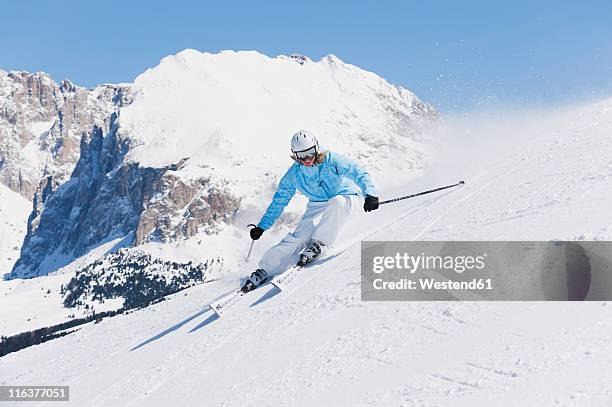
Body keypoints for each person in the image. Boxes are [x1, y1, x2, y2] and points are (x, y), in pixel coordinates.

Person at [242, 130, 379, 291]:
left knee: (337, 203)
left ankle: (319, 243)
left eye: (310, 153)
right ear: (295, 155)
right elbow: (279, 201)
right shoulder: (294, 174)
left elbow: (358, 172)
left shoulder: (331, 160)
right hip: (318, 204)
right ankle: (266, 268)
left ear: (316, 148)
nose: (307, 159)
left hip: (345, 196)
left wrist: (370, 194)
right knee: (299, 237)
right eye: (302, 155)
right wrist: (262, 226)